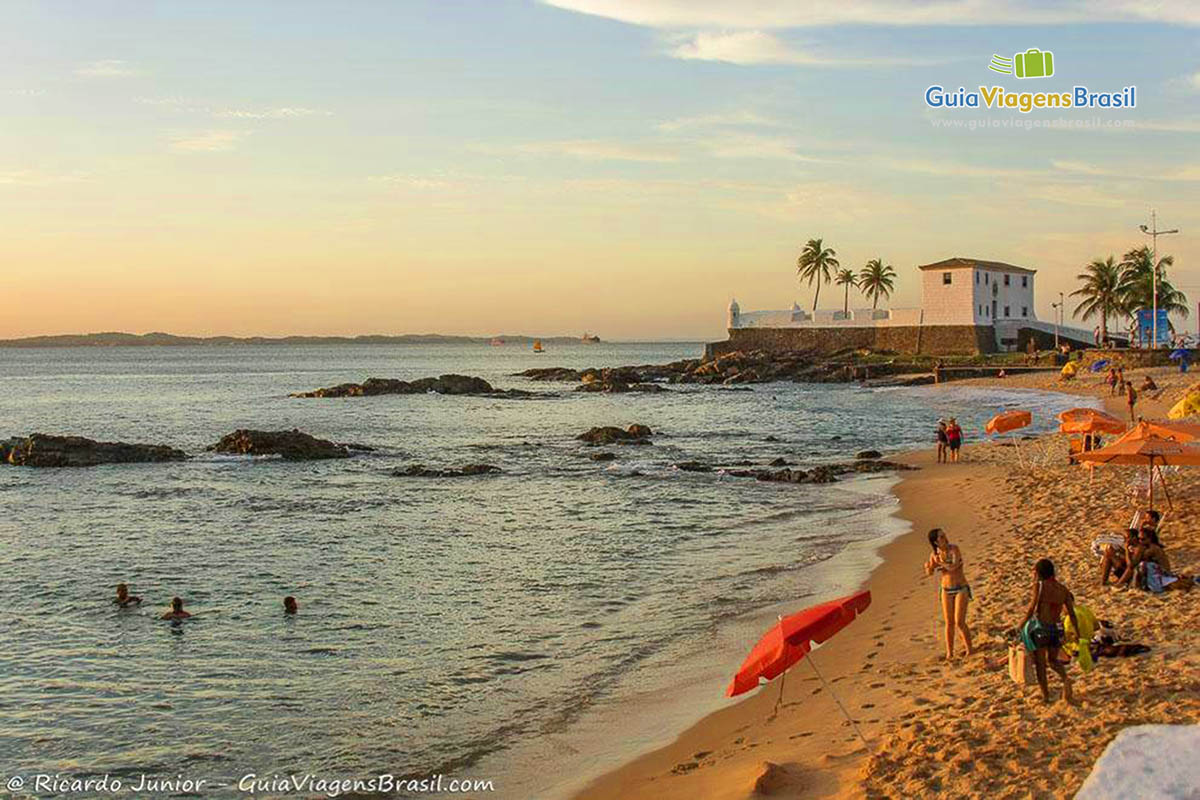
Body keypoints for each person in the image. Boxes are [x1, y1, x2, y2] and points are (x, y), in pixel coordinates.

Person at [1019, 559, 1077, 704]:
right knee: (1052, 660)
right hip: (1056, 629)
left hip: (1041, 629)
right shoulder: (1063, 590)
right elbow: (1072, 613)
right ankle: (1065, 678)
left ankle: (1045, 696)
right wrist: (1078, 633)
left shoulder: (1039, 586)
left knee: (1040, 664)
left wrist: (1021, 625)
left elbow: (1032, 607)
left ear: (1038, 573)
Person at [924, 528, 974, 660]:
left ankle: (970, 649)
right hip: (946, 590)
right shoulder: (935, 554)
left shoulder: (954, 549)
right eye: (941, 537)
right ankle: (950, 652)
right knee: (949, 623)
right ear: (936, 542)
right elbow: (929, 572)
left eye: (944, 535)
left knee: (959, 621)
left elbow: (953, 566)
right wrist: (929, 567)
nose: (945, 538)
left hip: (960, 588)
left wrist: (939, 563)